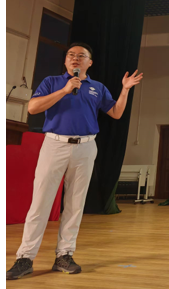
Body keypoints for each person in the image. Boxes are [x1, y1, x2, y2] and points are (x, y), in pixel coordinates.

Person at [6, 42, 143, 280]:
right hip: (54, 145)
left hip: (86, 147)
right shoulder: (52, 82)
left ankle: (64, 255)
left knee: (75, 204)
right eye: (71, 55)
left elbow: (116, 113)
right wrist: (65, 90)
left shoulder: (97, 88)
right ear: (65, 61)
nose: (75, 58)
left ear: (90, 62)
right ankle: (25, 258)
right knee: (40, 202)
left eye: (81, 56)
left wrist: (125, 90)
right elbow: (33, 108)